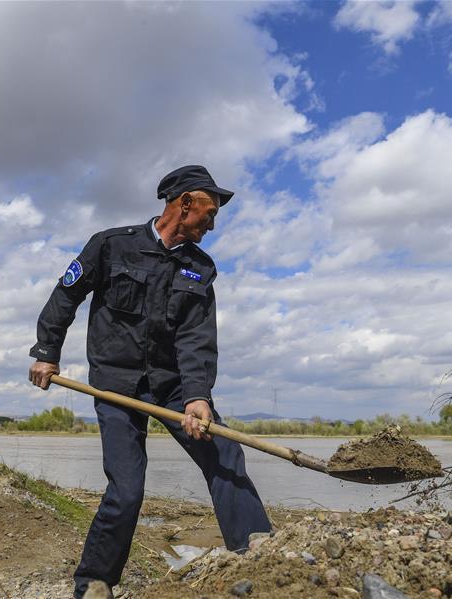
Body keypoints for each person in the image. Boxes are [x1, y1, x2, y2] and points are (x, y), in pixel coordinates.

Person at [28, 165, 271, 598]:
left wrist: (197, 397)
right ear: (184, 204)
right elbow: (66, 294)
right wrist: (47, 352)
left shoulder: (200, 268)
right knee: (127, 486)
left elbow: (197, 339)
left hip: (173, 386)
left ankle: (259, 551)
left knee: (225, 452)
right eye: (209, 213)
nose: (212, 224)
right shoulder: (111, 245)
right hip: (114, 386)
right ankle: (95, 582)